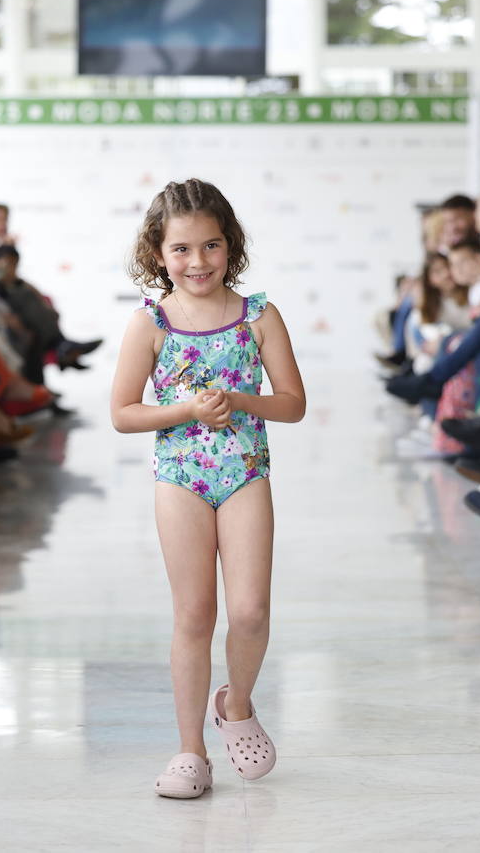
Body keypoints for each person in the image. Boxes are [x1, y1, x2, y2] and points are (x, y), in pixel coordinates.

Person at [111, 179, 306, 799]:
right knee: (194, 614)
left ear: (232, 246)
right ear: (158, 254)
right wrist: (187, 411)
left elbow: (293, 404)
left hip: (245, 472)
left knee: (250, 611)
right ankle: (190, 750)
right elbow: (122, 412)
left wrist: (236, 401)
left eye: (212, 246)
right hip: (181, 478)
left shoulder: (259, 316)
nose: (198, 263)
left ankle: (237, 702)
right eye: (182, 250)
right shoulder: (150, 324)